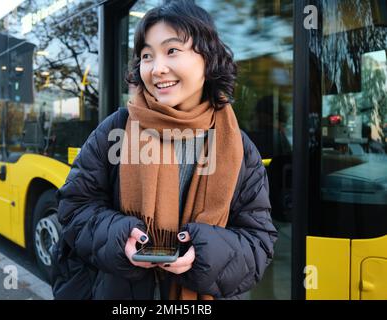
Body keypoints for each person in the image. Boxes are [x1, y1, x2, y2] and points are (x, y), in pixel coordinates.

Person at [52, 0, 277, 300]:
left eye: (172, 50)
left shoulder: (239, 147)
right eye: (147, 55)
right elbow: (74, 207)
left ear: (208, 59)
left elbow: (259, 243)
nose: (157, 68)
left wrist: (203, 254)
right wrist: (120, 239)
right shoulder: (115, 130)